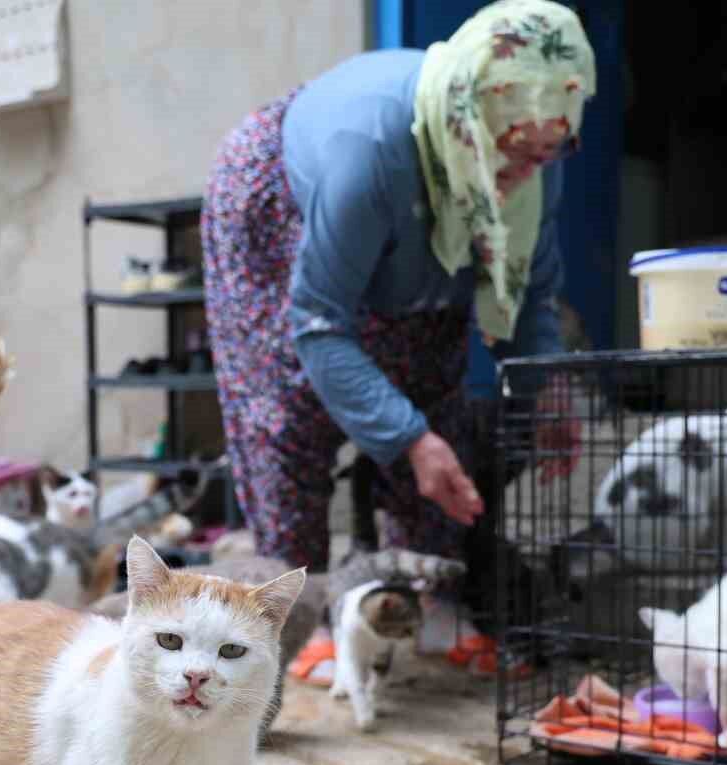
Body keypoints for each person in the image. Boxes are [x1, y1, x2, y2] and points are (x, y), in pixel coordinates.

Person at [202, 0, 594, 583]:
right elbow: (317, 322)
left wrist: (549, 389)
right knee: (288, 410)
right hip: (282, 199)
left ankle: (425, 602)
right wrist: (406, 439)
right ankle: (299, 609)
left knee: (435, 386)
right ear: (470, 120)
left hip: (407, 215)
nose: (526, 175)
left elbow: (529, 291)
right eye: (512, 151)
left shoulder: (535, 151)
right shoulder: (367, 156)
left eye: (547, 153)